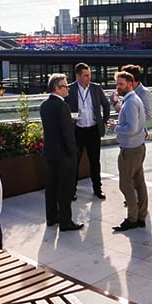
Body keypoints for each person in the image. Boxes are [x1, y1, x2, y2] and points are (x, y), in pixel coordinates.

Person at [40, 72, 82, 231]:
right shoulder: (63, 106)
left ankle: (51, 218)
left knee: (51, 186)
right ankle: (65, 221)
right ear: (57, 88)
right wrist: (74, 152)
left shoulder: (44, 105)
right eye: (65, 86)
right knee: (65, 189)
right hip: (64, 155)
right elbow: (66, 134)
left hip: (50, 153)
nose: (68, 90)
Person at [110, 71, 149, 232]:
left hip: (130, 149)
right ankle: (140, 217)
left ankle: (133, 218)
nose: (118, 87)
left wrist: (115, 127)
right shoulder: (132, 100)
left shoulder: (131, 102)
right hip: (137, 147)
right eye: (117, 84)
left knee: (126, 185)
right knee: (139, 183)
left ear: (130, 84)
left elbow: (131, 128)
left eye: (121, 84)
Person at [67, 62, 109, 200]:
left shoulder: (96, 88)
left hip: (93, 130)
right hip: (77, 131)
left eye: (89, 75)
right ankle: (72, 190)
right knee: (75, 162)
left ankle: (98, 188)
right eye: (85, 75)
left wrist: (103, 121)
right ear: (77, 76)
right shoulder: (70, 89)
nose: (88, 78)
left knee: (95, 161)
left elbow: (106, 104)